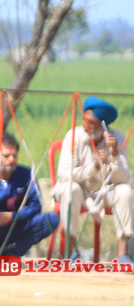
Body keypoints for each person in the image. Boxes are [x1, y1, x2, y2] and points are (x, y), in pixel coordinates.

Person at [51, 96, 132, 263]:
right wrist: (93, 167)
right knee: (71, 189)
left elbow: (123, 178)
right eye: (84, 120)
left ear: (103, 125)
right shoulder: (73, 136)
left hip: (105, 191)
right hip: (79, 189)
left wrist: (114, 155)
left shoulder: (117, 138)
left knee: (125, 192)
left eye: (92, 123)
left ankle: (123, 254)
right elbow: (64, 174)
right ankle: (70, 252)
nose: (86, 125)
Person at [0, 133, 59, 257]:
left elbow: (36, 206)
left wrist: (10, 216)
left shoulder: (26, 175)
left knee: (51, 219)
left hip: (16, 226)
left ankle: (13, 253)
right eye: (6, 156)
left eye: (14, 155)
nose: (11, 160)